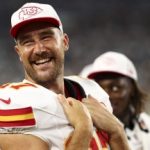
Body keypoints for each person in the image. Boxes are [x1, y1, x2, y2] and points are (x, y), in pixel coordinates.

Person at [0, 3, 130, 150]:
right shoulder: (11, 100)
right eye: (28, 42)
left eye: (46, 37)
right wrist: (83, 129)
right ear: (19, 52)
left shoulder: (95, 92)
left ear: (65, 42)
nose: (39, 49)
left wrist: (118, 132)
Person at [82, 51, 150, 150]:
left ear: (132, 89)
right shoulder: (84, 130)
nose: (105, 96)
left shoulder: (146, 124)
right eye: (99, 88)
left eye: (115, 88)